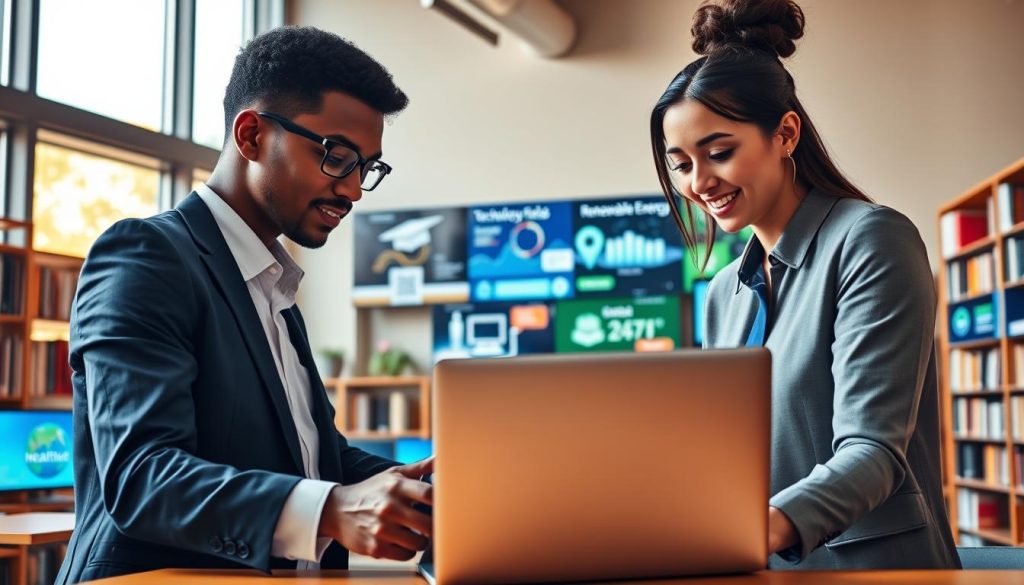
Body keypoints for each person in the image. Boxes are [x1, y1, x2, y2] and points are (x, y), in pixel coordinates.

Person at [57, 26, 433, 583]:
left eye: (366, 167)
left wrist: (412, 490)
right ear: (252, 134)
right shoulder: (145, 257)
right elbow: (141, 477)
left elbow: (310, 457)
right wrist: (333, 509)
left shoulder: (272, 285)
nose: (353, 190)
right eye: (336, 156)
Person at [650, 0, 959, 570]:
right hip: (758, 569)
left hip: (877, 572)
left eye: (719, 153)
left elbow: (872, 452)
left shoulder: (871, 240)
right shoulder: (724, 293)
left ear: (785, 134)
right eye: (681, 165)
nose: (699, 183)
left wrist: (742, 529)